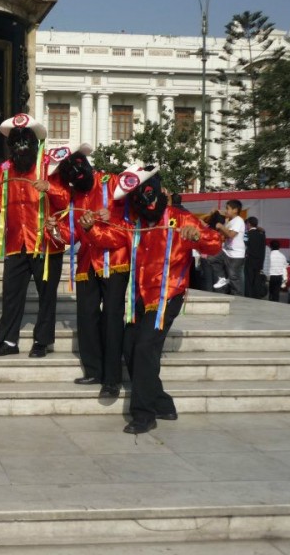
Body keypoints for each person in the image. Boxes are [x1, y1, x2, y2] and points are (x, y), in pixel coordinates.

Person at [82, 163, 222, 434]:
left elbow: (214, 242)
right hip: (140, 297)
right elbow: (111, 237)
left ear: (159, 192)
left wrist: (199, 237)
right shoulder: (134, 225)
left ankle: (144, 414)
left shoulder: (181, 219)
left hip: (168, 295)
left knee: (145, 347)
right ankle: (162, 402)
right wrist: (90, 229)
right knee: (129, 345)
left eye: (149, 195)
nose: (146, 203)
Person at [0, 114, 70, 358]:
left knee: (46, 295)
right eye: (16, 143)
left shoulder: (48, 165)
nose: (21, 148)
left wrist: (50, 187)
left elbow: (65, 199)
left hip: (45, 242)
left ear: (34, 143)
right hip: (15, 242)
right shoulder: (5, 169)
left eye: (25, 142)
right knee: (11, 294)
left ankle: (42, 341)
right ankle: (8, 341)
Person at [53, 148, 130, 399]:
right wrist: (53, 230)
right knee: (86, 316)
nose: (77, 180)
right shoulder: (75, 196)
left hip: (114, 260)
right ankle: (94, 370)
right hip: (87, 263)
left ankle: (112, 378)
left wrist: (115, 214)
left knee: (111, 317)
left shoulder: (112, 181)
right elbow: (70, 235)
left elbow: (135, 210)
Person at [211, 199, 245, 295]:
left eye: (228, 208)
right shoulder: (230, 221)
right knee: (212, 259)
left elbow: (231, 235)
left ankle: (238, 296)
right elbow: (223, 234)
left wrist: (221, 227)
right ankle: (222, 278)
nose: (226, 210)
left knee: (233, 275)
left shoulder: (238, 220)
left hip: (236, 254)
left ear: (235, 210)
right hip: (226, 251)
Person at [244, 216, 267, 299]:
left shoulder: (247, 234)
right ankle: (256, 296)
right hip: (259, 261)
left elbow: (245, 246)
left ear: (248, 224)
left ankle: (249, 296)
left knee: (248, 280)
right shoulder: (261, 234)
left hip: (249, 260)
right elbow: (263, 249)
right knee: (257, 280)